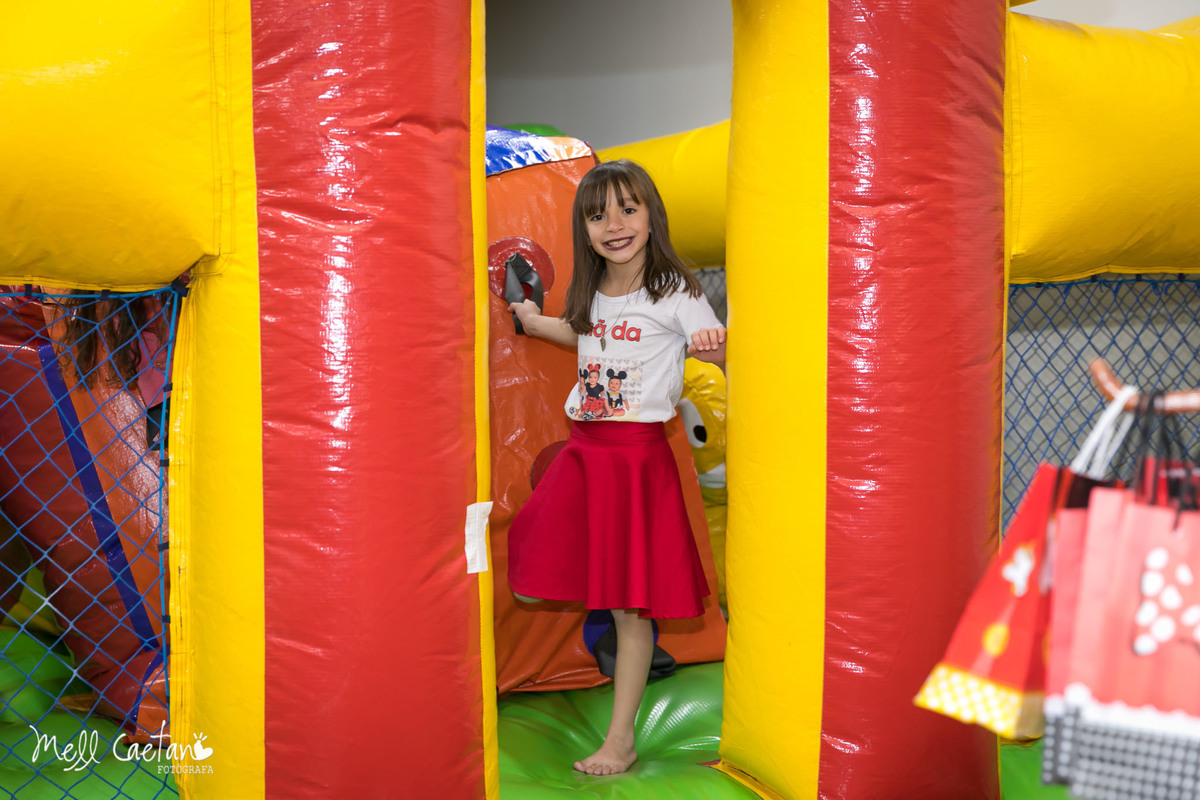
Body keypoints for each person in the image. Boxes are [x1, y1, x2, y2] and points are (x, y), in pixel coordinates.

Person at [507, 159, 726, 776]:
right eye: (598, 216)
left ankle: (619, 741)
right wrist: (531, 321)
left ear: (652, 215)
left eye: (629, 210)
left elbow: (708, 336)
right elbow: (585, 336)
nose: (615, 225)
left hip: (634, 459)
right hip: (586, 451)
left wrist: (709, 342)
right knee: (529, 561)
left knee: (632, 609)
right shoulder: (595, 287)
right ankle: (599, 600)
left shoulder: (674, 290)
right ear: (585, 228)